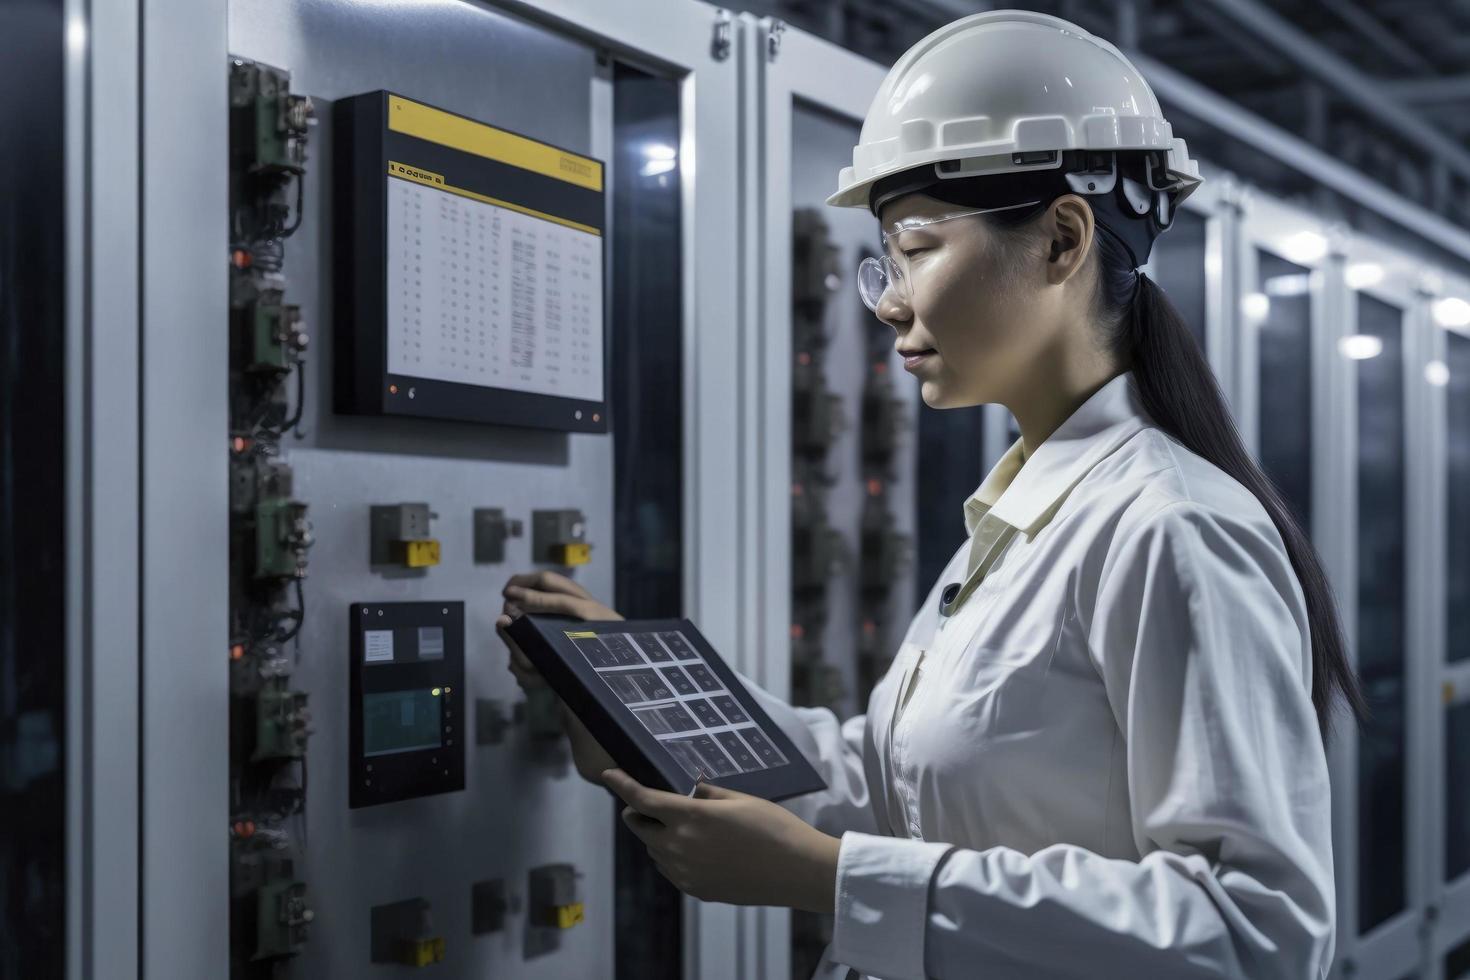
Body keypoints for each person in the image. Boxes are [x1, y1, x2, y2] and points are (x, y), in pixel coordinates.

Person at [496, 11, 1364, 979]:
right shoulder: (1020, 516)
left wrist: (834, 879)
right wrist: (632, 693)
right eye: (886, 260)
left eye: (916, 248)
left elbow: (1256, 936)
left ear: (1061, 241)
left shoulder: (1172, 526)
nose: (889, 300)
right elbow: (891, 778)